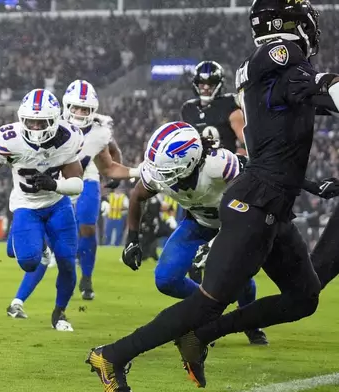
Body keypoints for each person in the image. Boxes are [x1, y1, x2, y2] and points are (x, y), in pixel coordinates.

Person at [86, 2, 339, 390]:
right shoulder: (281, 63)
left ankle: (201, 336)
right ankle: (113, 355)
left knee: (304, 297)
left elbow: (312, 102)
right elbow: (322, 90)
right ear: (292, 24)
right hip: (256, 204)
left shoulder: (276, 75)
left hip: (272, 201)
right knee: (207, 301)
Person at [2, 81, 139, 320]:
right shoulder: (52, 124)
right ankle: (20, 297)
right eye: (75, 108)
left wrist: (130, 172)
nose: (80, 113)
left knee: (86, 227)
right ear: (65, 107)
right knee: (38, 247)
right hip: (49, 189)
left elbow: (111, 155)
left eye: (85, 109)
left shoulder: (99, 132)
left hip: (85, 178)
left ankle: (85, 278)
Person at [122, 121, 267, 345]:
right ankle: (209, 310)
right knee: (166, 279)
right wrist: (132, 239)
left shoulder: (218, 165)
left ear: (188, 162)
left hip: (234, 225)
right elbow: (137, 196)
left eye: (166, 169)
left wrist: (223, 241)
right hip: (198, 223)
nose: (158, 176)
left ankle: (250, 323)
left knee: (241, 278)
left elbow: (251, 198)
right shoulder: (162, 173)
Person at [0, 88, 85, 331]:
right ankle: (41, 246)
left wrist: (55, 184)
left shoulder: (68, 138)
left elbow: (77, 184)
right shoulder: (10, 138)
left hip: (57, 205)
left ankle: (59, 314)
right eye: (30, 122)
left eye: (41, 123)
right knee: (29, 261)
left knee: (68, 262)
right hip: (26, 206)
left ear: (54, 120)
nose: (35, 128)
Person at [181, 61, 246, 154]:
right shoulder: (189, 109)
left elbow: (247, 142)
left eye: (211, 84)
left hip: (227, 164)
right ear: (196, 84)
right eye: (202, 83)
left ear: (219, 84)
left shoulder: (228, 104)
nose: (206, 87)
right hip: (200, 164)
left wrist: (238, 160)